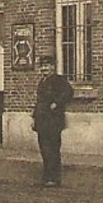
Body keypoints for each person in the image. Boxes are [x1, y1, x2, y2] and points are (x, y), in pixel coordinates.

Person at [32, 55, 75, 187]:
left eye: (47, 66)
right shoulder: (42, 82)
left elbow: (69, 92)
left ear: (52, 67)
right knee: (44, 149)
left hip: (53, 120)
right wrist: (34, 118)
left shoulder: (59, 80)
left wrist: (57, 103)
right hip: (42, 120)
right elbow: (39, 102)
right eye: (42, 66)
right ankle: (47, 176)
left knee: (53, 149)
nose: (44, 69)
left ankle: (54, 178)